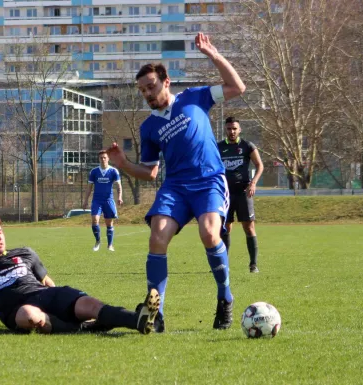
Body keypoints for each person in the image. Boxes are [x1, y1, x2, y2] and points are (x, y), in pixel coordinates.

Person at [106, 33, 246, 332]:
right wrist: (124, 165)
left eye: (151, 87)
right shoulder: (149, 127)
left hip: (209, 181)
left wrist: (214, 54)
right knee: (157, 237)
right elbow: (151, 172)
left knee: (210, 234)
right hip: (176, 187)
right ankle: (156, 313)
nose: (147, 94)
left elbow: (237, 87)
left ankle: (225, 297)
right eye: (142, 90)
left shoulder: (195, 97)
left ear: (166, 82)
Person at [0, 214, 161, 335]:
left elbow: (47, 282)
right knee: (28, 316)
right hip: (19, 310)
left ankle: (139, 320)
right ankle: (85, 329)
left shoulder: (24, 253)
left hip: (47, 296)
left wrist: (64, 301)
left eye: (0, 231)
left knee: (90, 304)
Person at [217, 117, 264, 273]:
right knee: (225, 228)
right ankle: (223, 264)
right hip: (225, 194)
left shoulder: (247, 146)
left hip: (243, 192)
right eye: (229, 128)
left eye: (234, 128)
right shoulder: (219, 147)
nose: (232, 131)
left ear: (239, 130)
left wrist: (253, 183)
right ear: (226, 129)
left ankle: (253, 265)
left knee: (249, 228)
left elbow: (259, 165)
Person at [83, 150, 123, 252]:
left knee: (109, 223)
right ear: (99, 159)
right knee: (95, 220)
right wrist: (85, 200)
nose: (103, 159)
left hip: (109, 200)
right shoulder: (94, 172)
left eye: (105, 157)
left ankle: (110, 245)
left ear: (108, 158)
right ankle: (98, 241)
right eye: (101, 158)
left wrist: (119, 197)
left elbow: (119, 185)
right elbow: (89, 187)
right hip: (97, 200)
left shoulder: (114, 171)